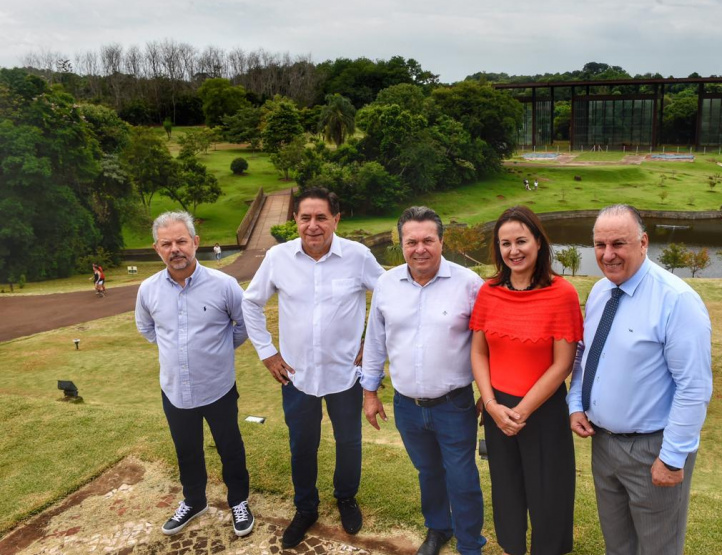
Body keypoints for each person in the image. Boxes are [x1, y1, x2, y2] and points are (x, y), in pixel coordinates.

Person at [242, 188, 384, 548]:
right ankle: (305, 508)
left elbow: (390, 298)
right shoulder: (278, 257)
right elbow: (251, 302)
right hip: (297, 375)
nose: (313, 225)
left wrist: (372, 344)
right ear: (295, 221)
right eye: (305, 217)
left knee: (349, 442)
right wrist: (267, 352)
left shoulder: (358, 256)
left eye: (321, 217)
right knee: (302, 445)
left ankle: (346, 496)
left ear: (336, 219)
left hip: (346, 376)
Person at [567, 204, 713, 555]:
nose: (608, 254)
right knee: (618, 544)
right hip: (604, 445)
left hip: (652, 449)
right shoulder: (601, 292)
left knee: (657, 547)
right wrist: (575, 404)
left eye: (619, 243)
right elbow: (587, 356)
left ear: (643, 242)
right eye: (600, 245)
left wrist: (672, 457)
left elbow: (694, 387)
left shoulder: (676, 301)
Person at [362, 206, 487, 555]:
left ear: (441, 241)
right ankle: (438, 529)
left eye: (428, 240)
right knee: (428, 473)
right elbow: (375, 342)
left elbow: (487, 343)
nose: (420, 248)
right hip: (407, 406)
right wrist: (370, 393)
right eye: (411, 241)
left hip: (454, 404)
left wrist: (488, 395)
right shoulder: (386, 284)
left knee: (462, 479)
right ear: (400, 244)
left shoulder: (468, 283)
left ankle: (470, 543)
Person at [469, 205, 583, 555]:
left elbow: (563, 364)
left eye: (521, 241)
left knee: (549, 494)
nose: (513, 250)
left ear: (538, 242)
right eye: (505, 243)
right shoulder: (489, 291)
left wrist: (521, 412)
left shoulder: (562, 293)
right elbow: (479, 353)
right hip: (497, 408)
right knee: (507, 490)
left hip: (543, 410)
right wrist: (491, 405)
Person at [135, 211, 254, 538]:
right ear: (156, 248)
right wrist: (177, 351)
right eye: (166, 243)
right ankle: (194, 500)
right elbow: (146, 328)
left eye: (181, 241)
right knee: (186, 449)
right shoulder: (148, 290)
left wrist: (216, 352)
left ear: (195, 243)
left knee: (230, 447)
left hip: (218, 387)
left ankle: (239, 501)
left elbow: (243, 326)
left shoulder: (224, 285)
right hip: (174, 390)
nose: (175, 249)